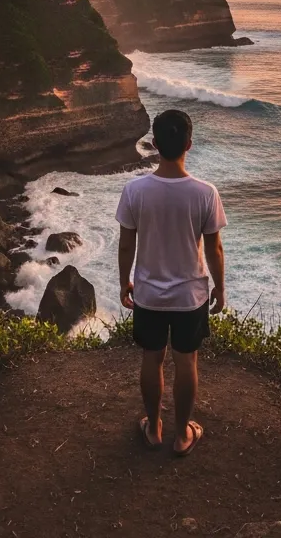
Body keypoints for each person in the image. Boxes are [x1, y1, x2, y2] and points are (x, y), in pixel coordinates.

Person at [116, 108, 227, 456]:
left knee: (152, 358)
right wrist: (220, 289)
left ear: (153, 144)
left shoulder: (135, 191)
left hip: (148, 293)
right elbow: (215, 248)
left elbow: (126, 243)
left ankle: (153, 428)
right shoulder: (205, 193)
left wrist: (124, 283)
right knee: (186, 362)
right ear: (189, 144)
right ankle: (181, 436)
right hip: (190, 296)